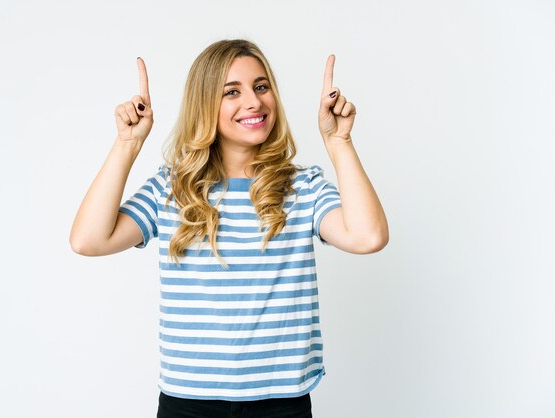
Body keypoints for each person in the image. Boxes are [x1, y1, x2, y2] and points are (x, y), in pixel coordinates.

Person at [70, 39, 388, 418]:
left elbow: (368, 237)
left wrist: (339, 142)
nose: (253, 102)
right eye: (231, 92)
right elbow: (88, 240)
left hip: (281, 403)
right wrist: (126, 145)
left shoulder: (302, 188)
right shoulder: (171, 190)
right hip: (188, 404)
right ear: (205, 105)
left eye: (261, 86)